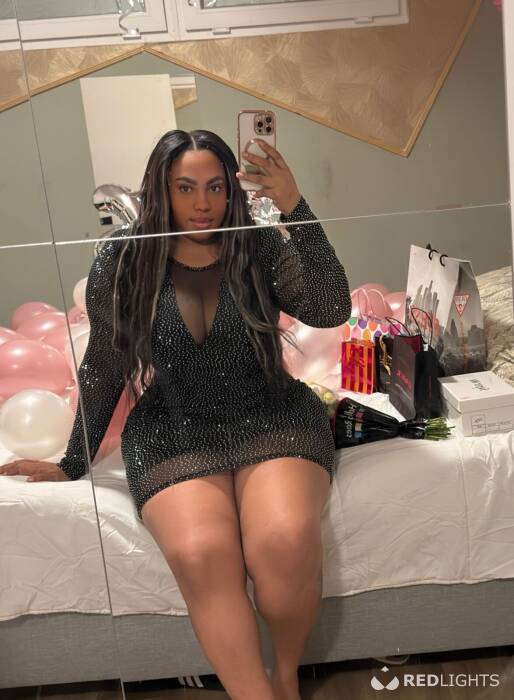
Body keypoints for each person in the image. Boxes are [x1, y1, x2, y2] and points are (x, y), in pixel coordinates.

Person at [0, 130, 351, 700]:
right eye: (185, 188)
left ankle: (286, 676)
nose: (202, 203)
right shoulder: (126, 256)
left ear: (231, 190)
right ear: (160, 190)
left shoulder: (256, 243)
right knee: (199, 552)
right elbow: (106, 362)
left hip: (272, 417)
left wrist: (296, 207)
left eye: (215, 187)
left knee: (285, 540)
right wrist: (72, 462)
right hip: (175, 428)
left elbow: (332, 306)